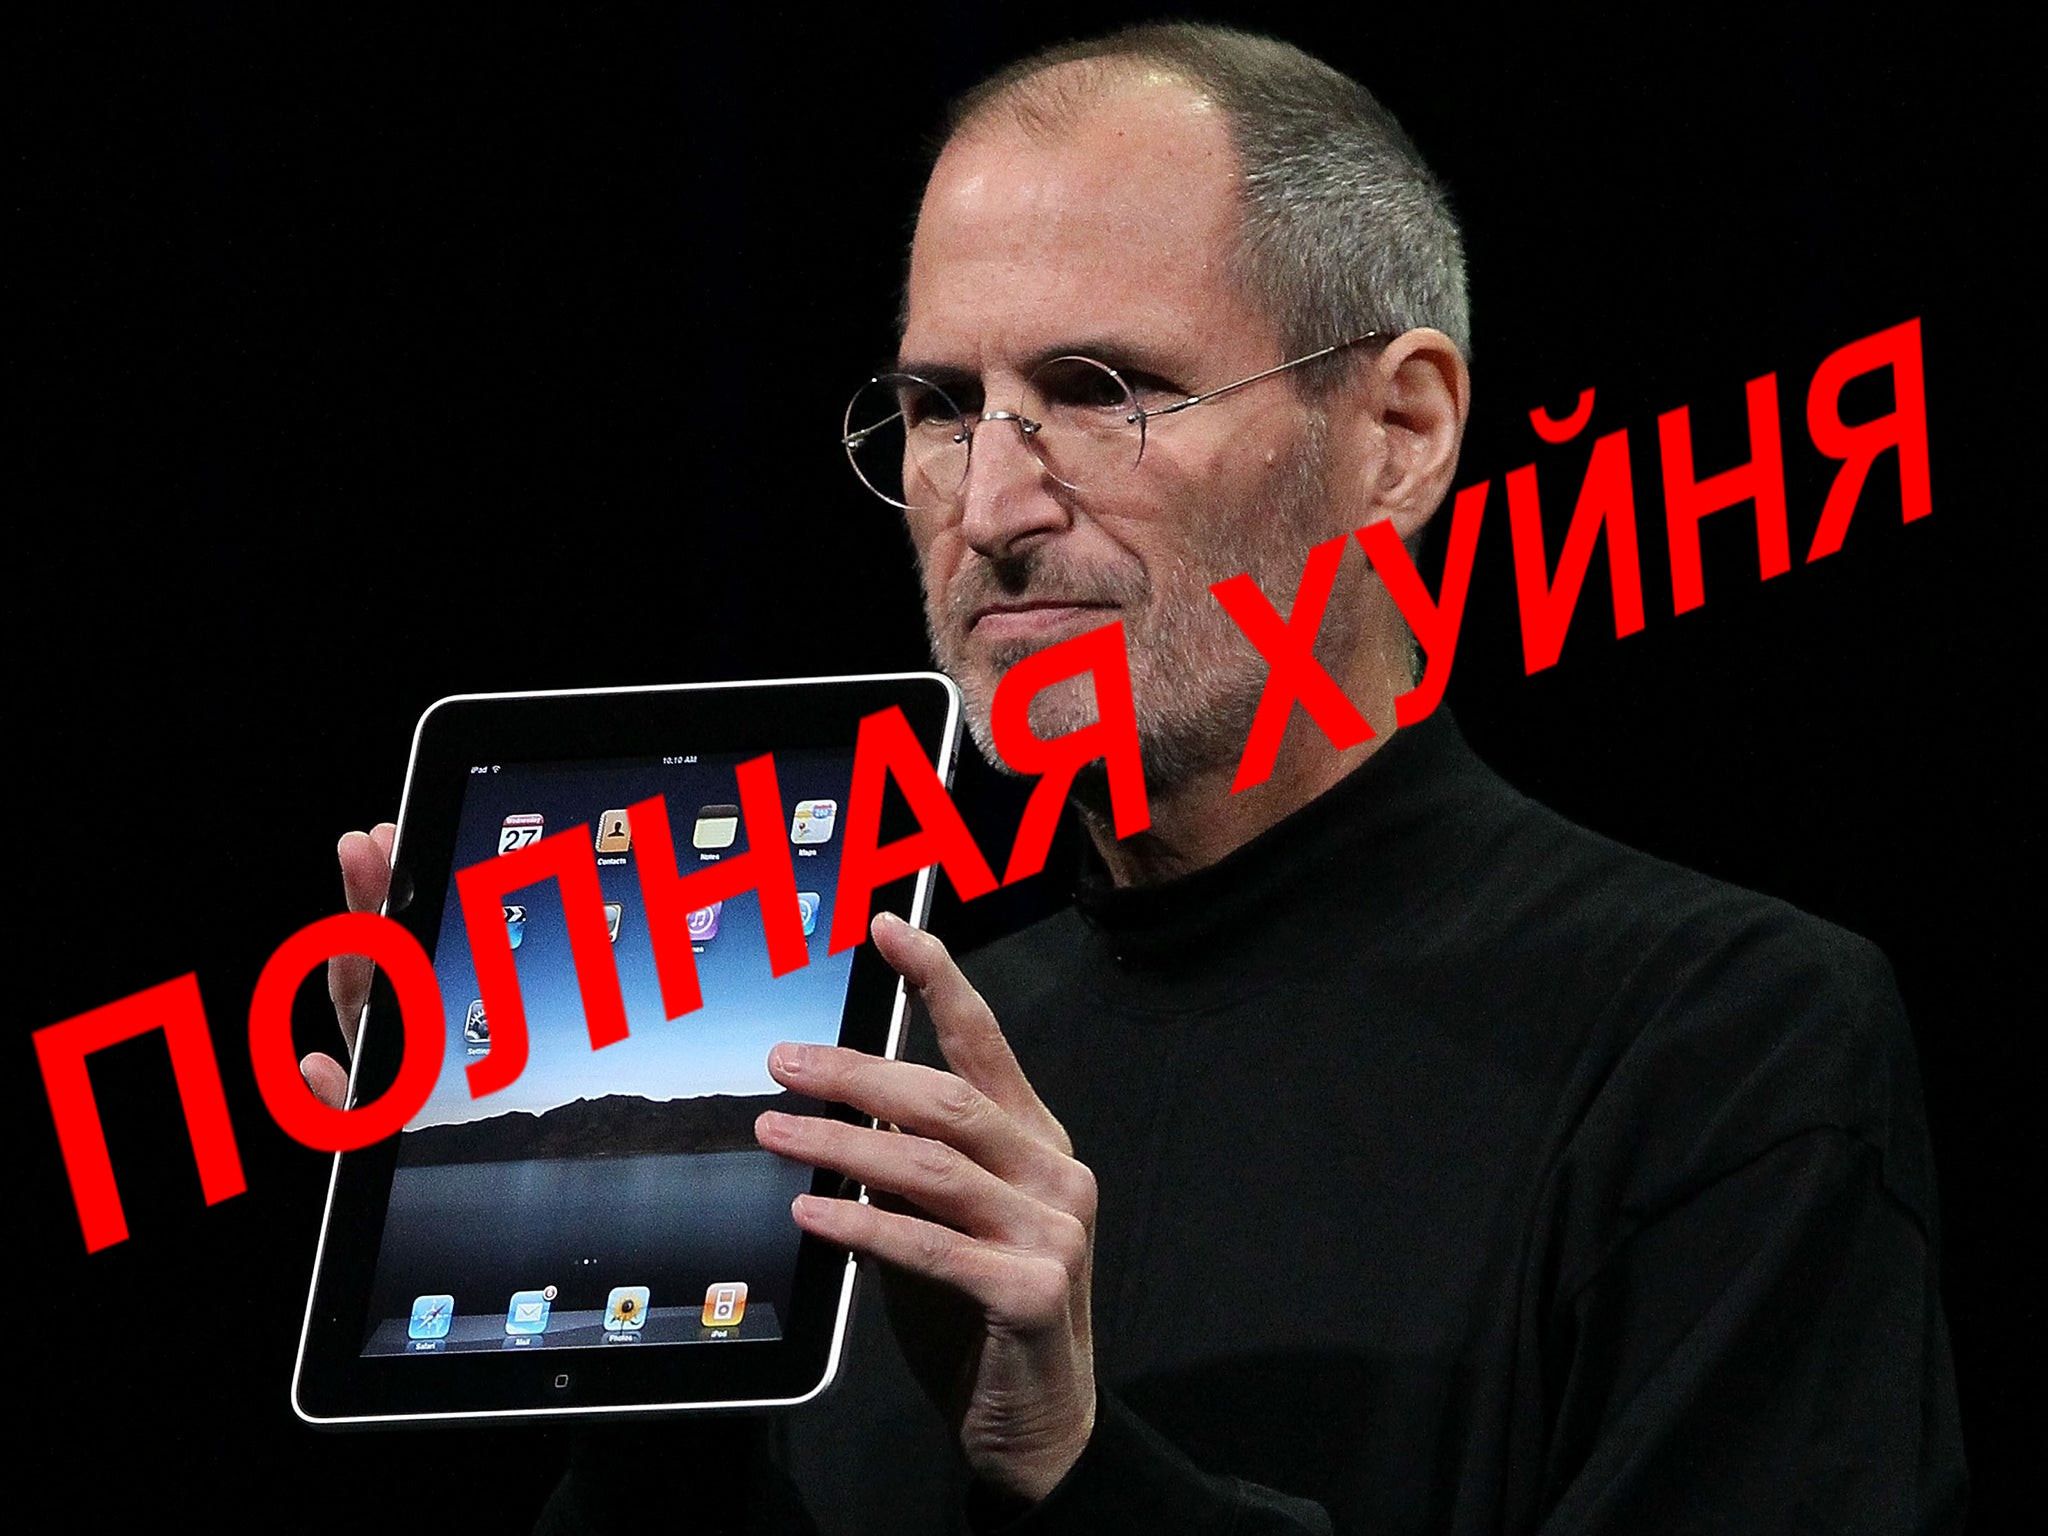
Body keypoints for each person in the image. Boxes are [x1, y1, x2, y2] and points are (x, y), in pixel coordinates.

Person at [310, 22, 1965, 1534]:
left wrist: (1069, 1460)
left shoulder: (1721, 1043)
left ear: (1397, 432)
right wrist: (641, 1407)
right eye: (942, 408)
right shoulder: (882, 1071)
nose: (991, 511)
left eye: (1101, 396)